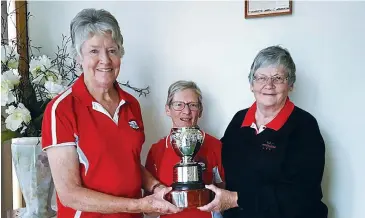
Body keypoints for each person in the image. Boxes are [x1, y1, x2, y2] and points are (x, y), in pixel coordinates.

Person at [41, 8, 180, 218]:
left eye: (112, 50)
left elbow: (129, 165)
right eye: (94, 51)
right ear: (79, 57)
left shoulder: (131, 104)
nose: (105, 60)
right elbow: (70, 194)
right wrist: (140, 205)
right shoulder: (61, 109)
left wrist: (156, 187)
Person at [198, 46, 328, 218]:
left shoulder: (304, 126)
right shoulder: (239, 120)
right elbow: (219, 164)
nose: (269, 85)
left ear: (291, 85)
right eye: (261, 77)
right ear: (251, 84)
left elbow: (302, 194)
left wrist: (236, 199)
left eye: (278, 78)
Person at [144, 80, 225, 218]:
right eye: (178, 105)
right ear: (167, 109)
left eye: (193, 105)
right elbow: (148, 209)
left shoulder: (216, 146)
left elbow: (224, 196)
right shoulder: (156, 150)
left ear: (200, 111)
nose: (186, 111)